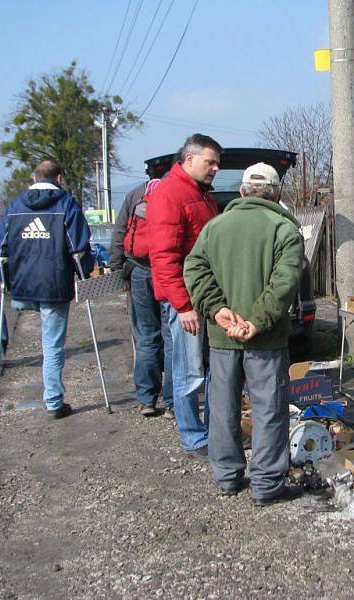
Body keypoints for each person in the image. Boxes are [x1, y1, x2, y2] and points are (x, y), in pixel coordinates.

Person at [185, 162, 304, 506]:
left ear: (241, 192)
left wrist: (217, 310)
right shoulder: (284, 229)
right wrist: (256, 320)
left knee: (222, 407)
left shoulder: (214, 227)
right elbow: (284, 283)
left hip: (221, 337)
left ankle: (227, 478)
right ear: (276, 193)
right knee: (269, 409)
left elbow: (193, 268)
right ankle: (266, 485)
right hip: (265, 339)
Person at [0, 160, 93, 419]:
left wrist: (5, 281)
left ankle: (51, 397)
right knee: (52, 346)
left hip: (22, 286)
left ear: (33, 177)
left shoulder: (15, 206)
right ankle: (53, 401)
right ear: (59, 178)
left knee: (47, 343)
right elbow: (78, 248)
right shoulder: (67, 204)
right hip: (53, 285)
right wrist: (85, 273)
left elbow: (2, 248)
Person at [147, 134, 221, 459]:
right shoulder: (170, 195)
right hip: (186, 302)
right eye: (211, 162)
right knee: (188, 371)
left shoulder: (200, 194)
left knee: (202, 367)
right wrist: (182, 306)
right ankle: (193, 436)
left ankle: (208, 429)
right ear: (189, 159)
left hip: (202, 297)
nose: (216, 168)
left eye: (217, 162)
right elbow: (164, 257)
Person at [110, 179, 174, 418]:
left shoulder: (137, 193)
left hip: (138, 270)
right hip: (168, 271)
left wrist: (118, 268)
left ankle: (147, 399)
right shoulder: (178, 192)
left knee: (147, 336)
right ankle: (172, 402)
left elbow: (120, 232)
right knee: (172, 338)